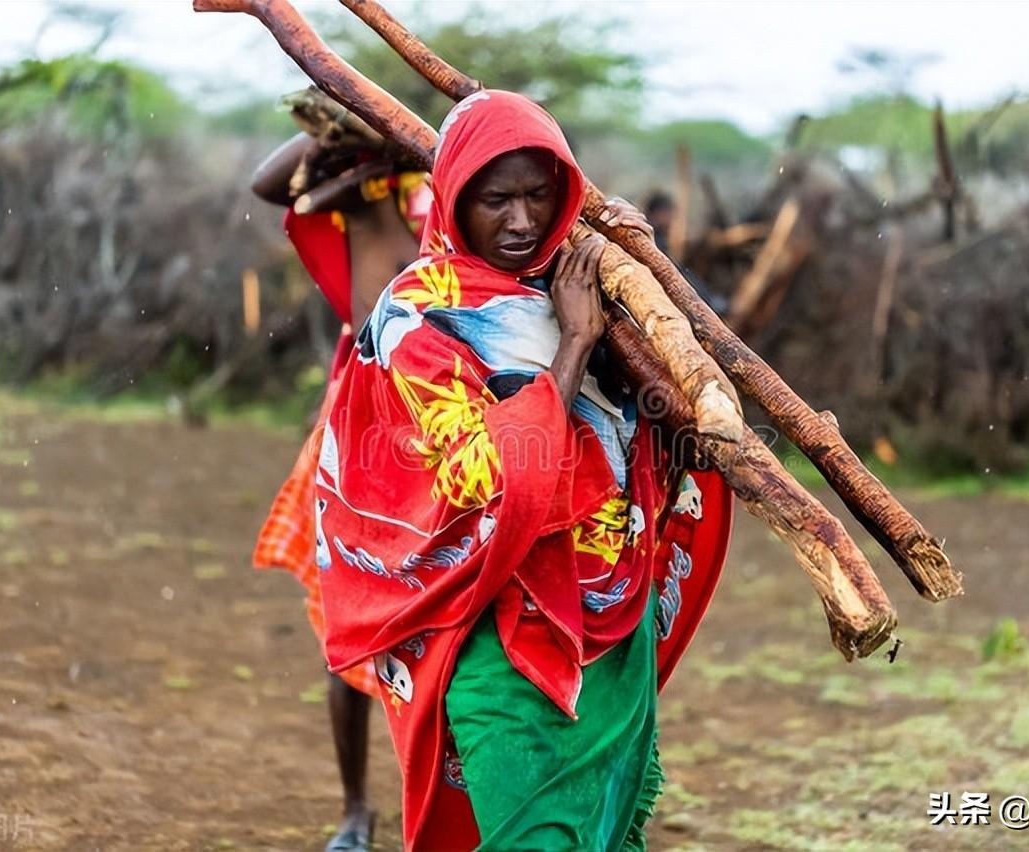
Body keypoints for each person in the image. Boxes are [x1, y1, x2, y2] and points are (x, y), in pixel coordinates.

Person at [314, 90, 733, 851]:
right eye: (495, 199)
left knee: (604, 833)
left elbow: (683, 432)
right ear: (452, 199)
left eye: (539, 196)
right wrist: (573, 346)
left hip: (609, 615)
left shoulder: (580, 281)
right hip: (493, 633)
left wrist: (649, 285)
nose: (521, 221)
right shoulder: (419, 316)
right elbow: (485, 478)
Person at [249, 128, 431, 852]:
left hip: (447, 445)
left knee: (443, 639)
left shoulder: (442, 212)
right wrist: (338, 125)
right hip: (357, 445)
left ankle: (440, 810)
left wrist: (410, 154)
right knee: (343, 633)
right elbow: (270, 181)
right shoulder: (353, 215)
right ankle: (357, 812)